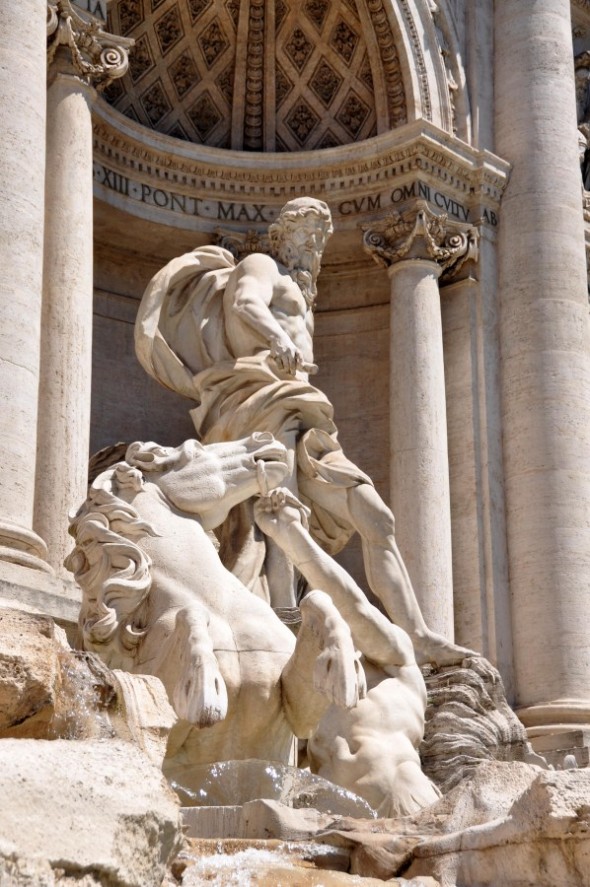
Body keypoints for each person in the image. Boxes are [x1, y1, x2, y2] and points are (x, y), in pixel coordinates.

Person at [135, 197, 473, 667]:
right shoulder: (260, 263)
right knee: (276, 513)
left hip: (302, 409)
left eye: (320, 236)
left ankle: (414, 631)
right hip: (260, 398)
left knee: (375, 516)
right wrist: (276, 338)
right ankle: (283, 623)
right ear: (282, 232)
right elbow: (243, 301)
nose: (313, 243)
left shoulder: (300, 285)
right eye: (306, 231)